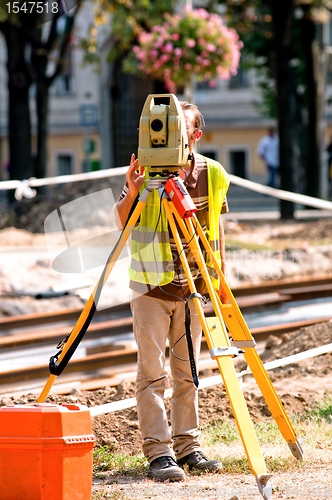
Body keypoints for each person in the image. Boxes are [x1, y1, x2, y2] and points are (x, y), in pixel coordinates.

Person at [114, 101, 230, 481]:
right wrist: (134, 189)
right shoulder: (144, 173)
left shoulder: (212, 174)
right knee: (151, 374)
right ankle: (159, 453)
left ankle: (188, 447)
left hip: (193, 288)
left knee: (187, 372)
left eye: (181, 128)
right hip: (151, 287)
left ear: (195, 135)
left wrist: (220, 277)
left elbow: (217, 225)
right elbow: (123, 224)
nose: (169, 135)